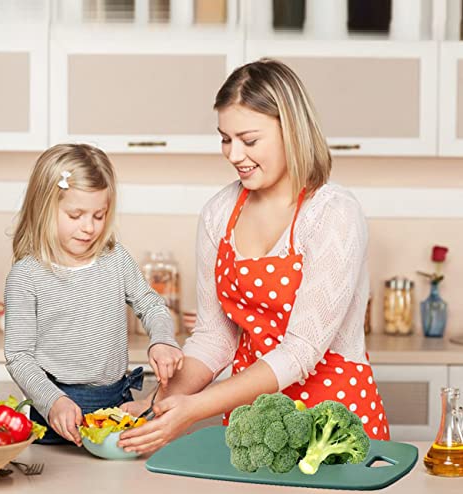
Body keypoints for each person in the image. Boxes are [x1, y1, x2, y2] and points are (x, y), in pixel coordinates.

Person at [118, 58, 390, 455]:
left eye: (248, 139)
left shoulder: (333, 213)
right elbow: (215, 337)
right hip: (254, 426)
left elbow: (302, 350)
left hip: (334, 423)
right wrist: (155, 406)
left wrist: (194, 409)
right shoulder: (218, 212)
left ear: (291, 130)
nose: (233, 153)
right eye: (225, 138)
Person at [4, 143, 183, 445]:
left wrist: (163, 340)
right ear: (44, 207)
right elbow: (19, 357)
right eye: (76, 215)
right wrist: (53, 402)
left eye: (99, 216)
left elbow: (151, 305)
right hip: (53, 415)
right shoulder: (26, 275)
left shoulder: (114, 259)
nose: (89, 228)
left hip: (115, 410)